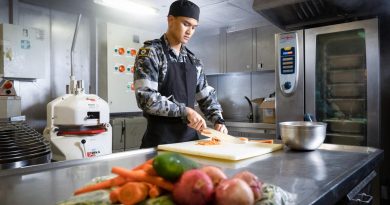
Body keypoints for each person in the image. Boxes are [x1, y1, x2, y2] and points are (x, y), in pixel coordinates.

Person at [134, 0, 227, 148]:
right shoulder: (151, 53)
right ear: (170, 20)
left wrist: (218, 121)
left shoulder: (193, 61)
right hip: (160, 144)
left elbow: (206, 96)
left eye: (194, 27)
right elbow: (146, 98)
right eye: (186, 24)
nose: (190, 31)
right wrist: (185, 111)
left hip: (190, 144)